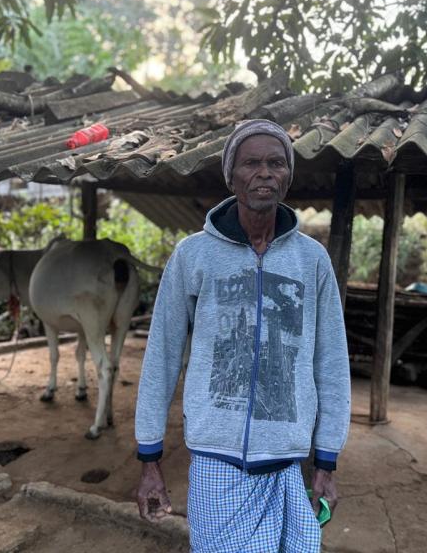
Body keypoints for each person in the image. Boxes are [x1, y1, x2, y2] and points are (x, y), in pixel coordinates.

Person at [134, 118, 351, 552]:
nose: (264, 173)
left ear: (288, 175)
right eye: (251, 163)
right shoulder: (193, 255)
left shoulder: (312, 259)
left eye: (276, 163)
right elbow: (162, 355)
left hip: (287, 462)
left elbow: (330, 361)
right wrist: (149, 458)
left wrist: (326, 458)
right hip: (215, 460)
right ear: (231, 176)